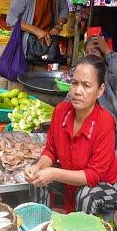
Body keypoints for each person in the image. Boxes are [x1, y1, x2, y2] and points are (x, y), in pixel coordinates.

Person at [25, 55, 117, 215]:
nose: (77, 91)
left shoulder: (105, 121)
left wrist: (54, 173)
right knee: (37, 178)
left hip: (107, 183)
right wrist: (38, 167)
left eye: (86, 86)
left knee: (86, 196)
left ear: (100, 90)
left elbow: (93, 175)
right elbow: (50, 152)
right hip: (73, 176)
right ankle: (40, 226)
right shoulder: (61, 111)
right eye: (74, 83)